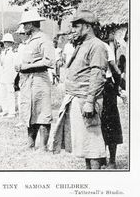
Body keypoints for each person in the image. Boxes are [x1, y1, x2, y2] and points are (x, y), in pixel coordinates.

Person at [50, 10, 108, 170]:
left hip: (87, 99)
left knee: (93, 143)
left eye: (76, 26)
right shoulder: (83, 45)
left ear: (88, 26)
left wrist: (90, 101)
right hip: (77, 98)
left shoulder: (96, 45)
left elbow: (97, 75)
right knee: (84, 143)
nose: (73, 30)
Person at [15, 9, 54, 151]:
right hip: (27, 81)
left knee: (43, 112)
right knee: (29, 111)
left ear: (31, 24)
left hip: (39, 80)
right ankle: (30, 143)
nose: (24, 27)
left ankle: (43, 146)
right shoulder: (29, 41)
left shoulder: (44, 39)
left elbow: (49, 61)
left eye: (25, 24)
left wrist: (26, 66)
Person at [100, 35, 123, 169]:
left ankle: (112, 160)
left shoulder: (104, 47)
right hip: (92, 86)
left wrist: (115, 89)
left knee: (110, 123)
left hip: (106, 86)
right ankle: (101, 158)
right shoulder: (83, 46)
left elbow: (116, 71)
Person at [0, 33, 18, 118]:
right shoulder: (3, 53)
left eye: (8, 42)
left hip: (10, 76)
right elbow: (1, 65)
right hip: (3, 76)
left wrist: (13, 78)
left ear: (12, 43)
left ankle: (12, 112)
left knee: (10, 94)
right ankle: (5, 110)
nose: (6, 44)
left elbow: (15, 66)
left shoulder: (14, 53)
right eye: (5, 42)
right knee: (3, 94)